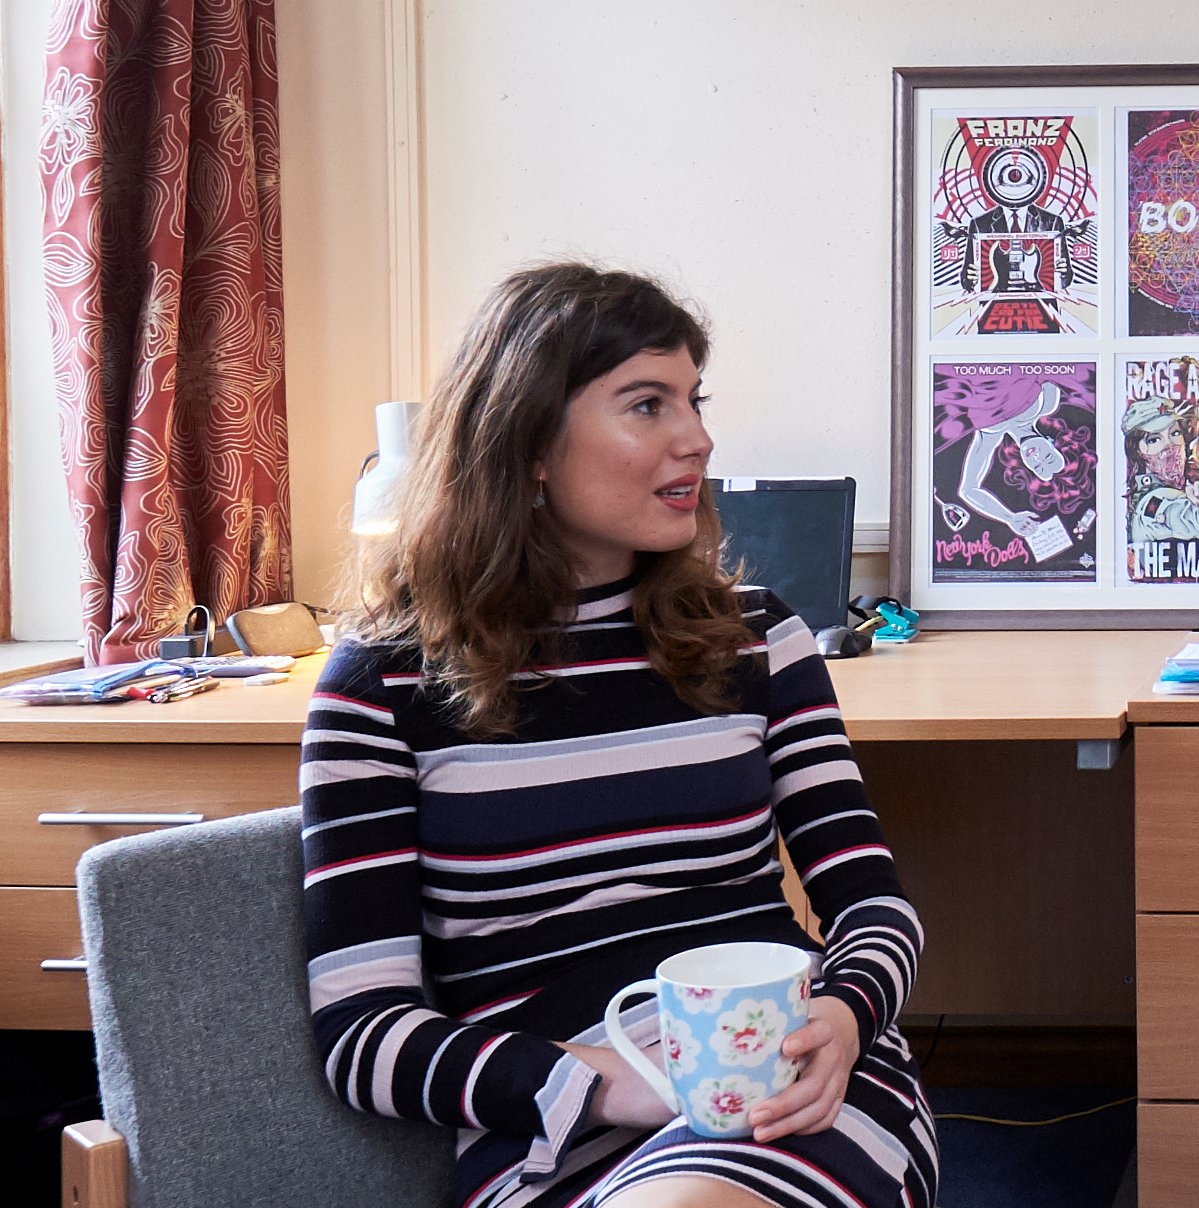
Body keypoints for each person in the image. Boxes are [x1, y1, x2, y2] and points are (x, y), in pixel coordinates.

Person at [300, 263, 934, 1208]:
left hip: (796, 1092)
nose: (697, 437)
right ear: (529, 445)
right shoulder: (379, 685)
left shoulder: (762, 640)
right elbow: (363, 1034)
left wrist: (845, 1016)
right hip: (550, 1131)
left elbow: (873, 908)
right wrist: (598, 1085)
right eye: (647, 405)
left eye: (693, 400)